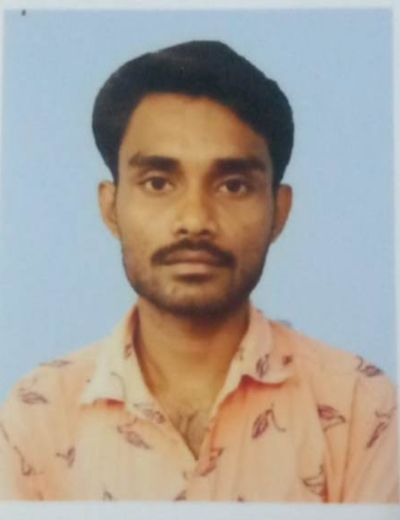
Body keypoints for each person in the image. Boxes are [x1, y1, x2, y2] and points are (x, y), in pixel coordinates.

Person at [0, 40, 397, 502]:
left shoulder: (359, 405)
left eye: (233, 185)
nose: (194, 219)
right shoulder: (38, 415)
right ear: (111, 208)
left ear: (279, 211)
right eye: (158, 182)